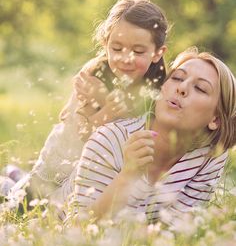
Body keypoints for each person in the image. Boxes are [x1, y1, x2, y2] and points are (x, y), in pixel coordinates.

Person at [2, 0, 169, 204]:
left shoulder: (157, 89)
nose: (125, 58)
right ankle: (11, 181)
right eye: (116, 48)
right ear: (105, 42)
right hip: (60, 166)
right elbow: (83, 132)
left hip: (97, 177)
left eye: (138, 51)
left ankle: (15, 175)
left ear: (157, 53)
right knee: (19, 205)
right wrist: (107, 110)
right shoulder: (93, 76)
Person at [68, 47, 236, 225]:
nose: (182, 88)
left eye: (201, 88)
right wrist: (128, 175)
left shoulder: (210, 156)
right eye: (177, 77)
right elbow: (79, 227)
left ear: (215, 120)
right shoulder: (111, 138)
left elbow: (176, 230)